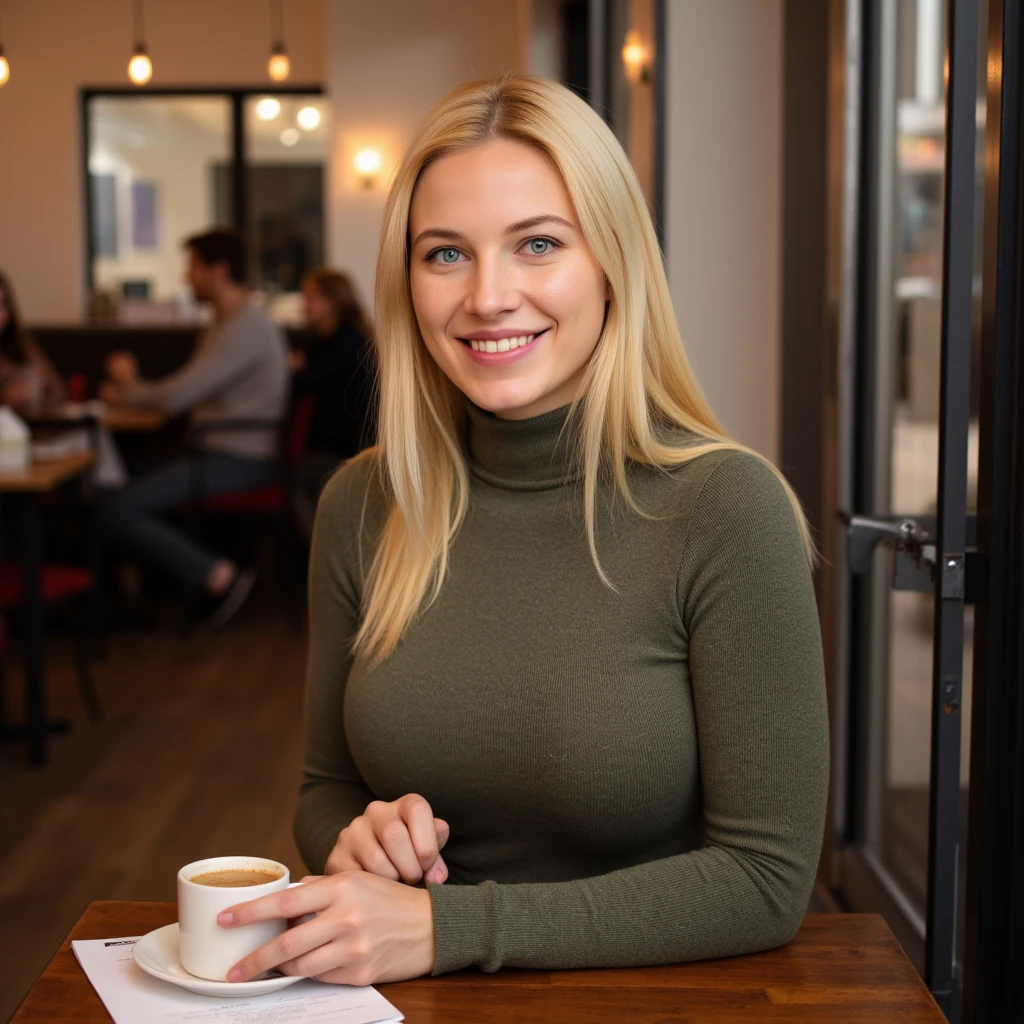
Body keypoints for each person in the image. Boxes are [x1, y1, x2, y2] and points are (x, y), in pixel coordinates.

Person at [215, 76, 829, 986]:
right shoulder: (361, 504)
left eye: (537, 244)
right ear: (408, 281)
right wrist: (361, 836)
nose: (487, 297)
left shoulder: (729, 510)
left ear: (612, 263)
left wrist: (448, 925)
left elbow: (766, 882)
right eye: (445, 254)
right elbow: (324, 789)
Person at [99, 229, 288, 627]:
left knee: (117, 508)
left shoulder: (246, 327)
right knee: (115, 484)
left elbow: (176, 397)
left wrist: (131, 387)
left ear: (217, 271)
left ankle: (217, 575)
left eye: (192, 269)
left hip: (237, 460)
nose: (187, 279)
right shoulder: (224, 322)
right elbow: (185, 391)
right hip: (215, 451)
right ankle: (135, 596)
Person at [290, 268, 376, 537]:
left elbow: (308, 385)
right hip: (331, 446)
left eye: (311, 297)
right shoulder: (322, 341)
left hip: (348, 451)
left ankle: (324, 555)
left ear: (333, 302)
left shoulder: (347, 342)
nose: (304, 304)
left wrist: (296, 370)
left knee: (292, 479)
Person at [0, 270, 66, 411]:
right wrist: (4, 397)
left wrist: (41, 388)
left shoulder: (18, 342)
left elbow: (58, 391)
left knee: (97, 432)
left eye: (2, 304)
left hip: (33, 428)